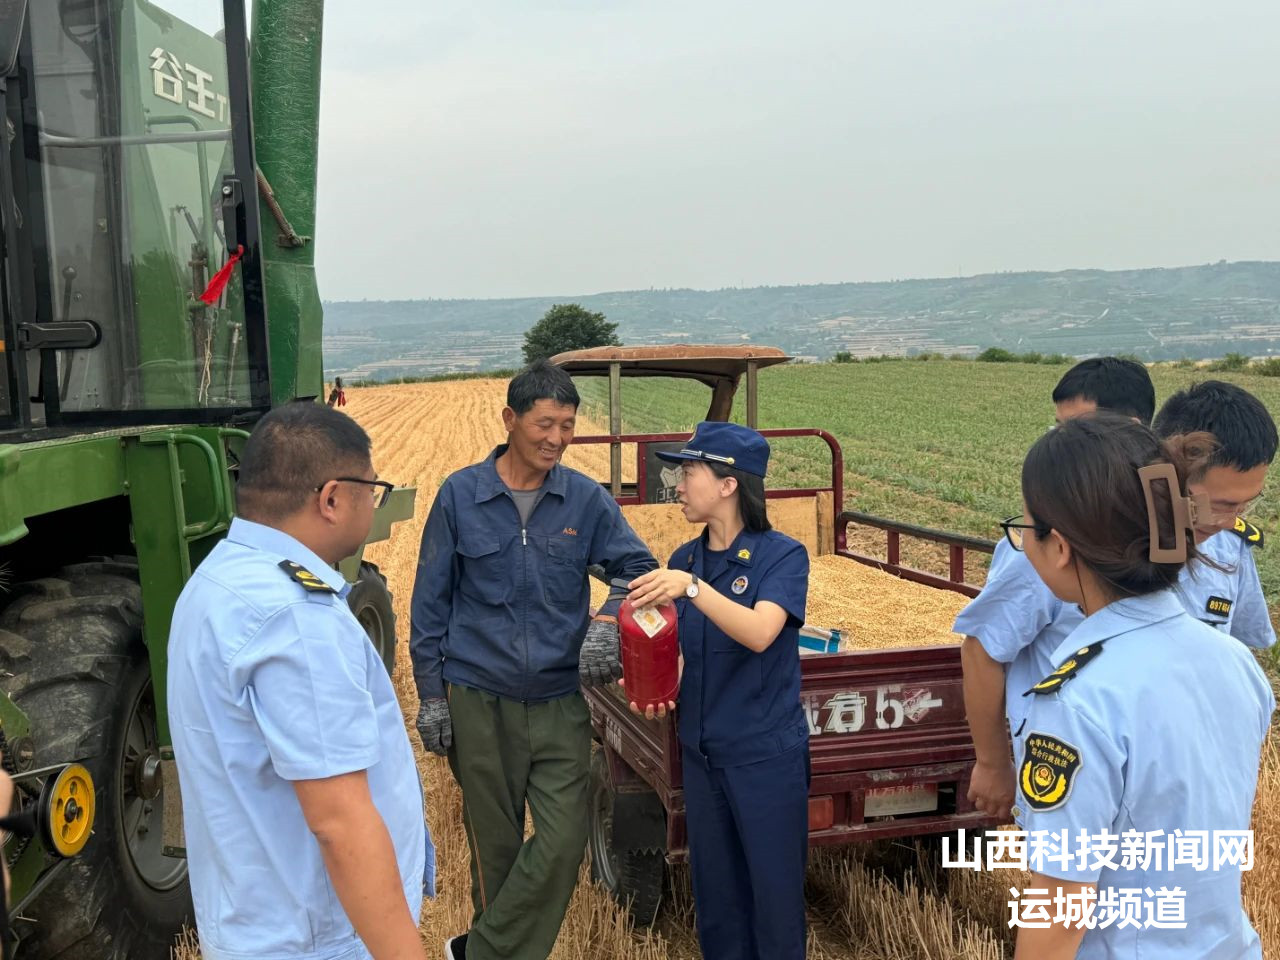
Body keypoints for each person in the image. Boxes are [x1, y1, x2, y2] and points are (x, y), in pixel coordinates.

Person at [168, 403, 432, 960]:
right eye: (372, 489)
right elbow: (340, 822)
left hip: (256, 924)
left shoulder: (218, 579)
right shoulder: (295, 617)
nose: (374, 503)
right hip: (321, 940)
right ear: (331, 499)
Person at [410, 361, 655, 960]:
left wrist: (608, 620)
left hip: (558, 701)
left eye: (567, 426)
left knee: (563, 843)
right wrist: (432, 695)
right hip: (477, 699)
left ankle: (477, 952)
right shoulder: (460, 496)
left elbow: (638, 568)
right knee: (493, 853)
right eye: (545, 424)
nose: (556, 438)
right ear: (510, 420)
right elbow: (430, 603)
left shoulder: (585, 500)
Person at [1004, 413, 1272, 959]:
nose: (1023, 544)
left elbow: (1060, 909)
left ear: (1060, 547)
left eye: (1025, 529)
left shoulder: (1078, 699)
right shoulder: (1236, 662)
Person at [626, 421, 810, 960]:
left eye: (689, 472)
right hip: (704, 758)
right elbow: (682, 653)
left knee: (773, 904)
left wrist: (693, 589)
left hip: (763, 760)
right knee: (718, 904)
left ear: (729, 484)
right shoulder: (685, 559)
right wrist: (654, 683)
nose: (677, 485)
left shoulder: (782, 556)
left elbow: (760, 632)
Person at [955, 357, 1156, 819]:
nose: (1062, 446)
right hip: (1071, 765)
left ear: (1130, 431)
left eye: (1078, 430)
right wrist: (993, 762)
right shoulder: (1038, 543)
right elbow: (983, 648)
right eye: (1059, 429)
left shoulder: (1189, 537)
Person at [1153, 380, 1276, 649]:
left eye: (1243, 505)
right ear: (1161, 477)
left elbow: (1240, 646)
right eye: (1218, 505)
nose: (1229, 522)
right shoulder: (1086, 545)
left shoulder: (1230, 547)